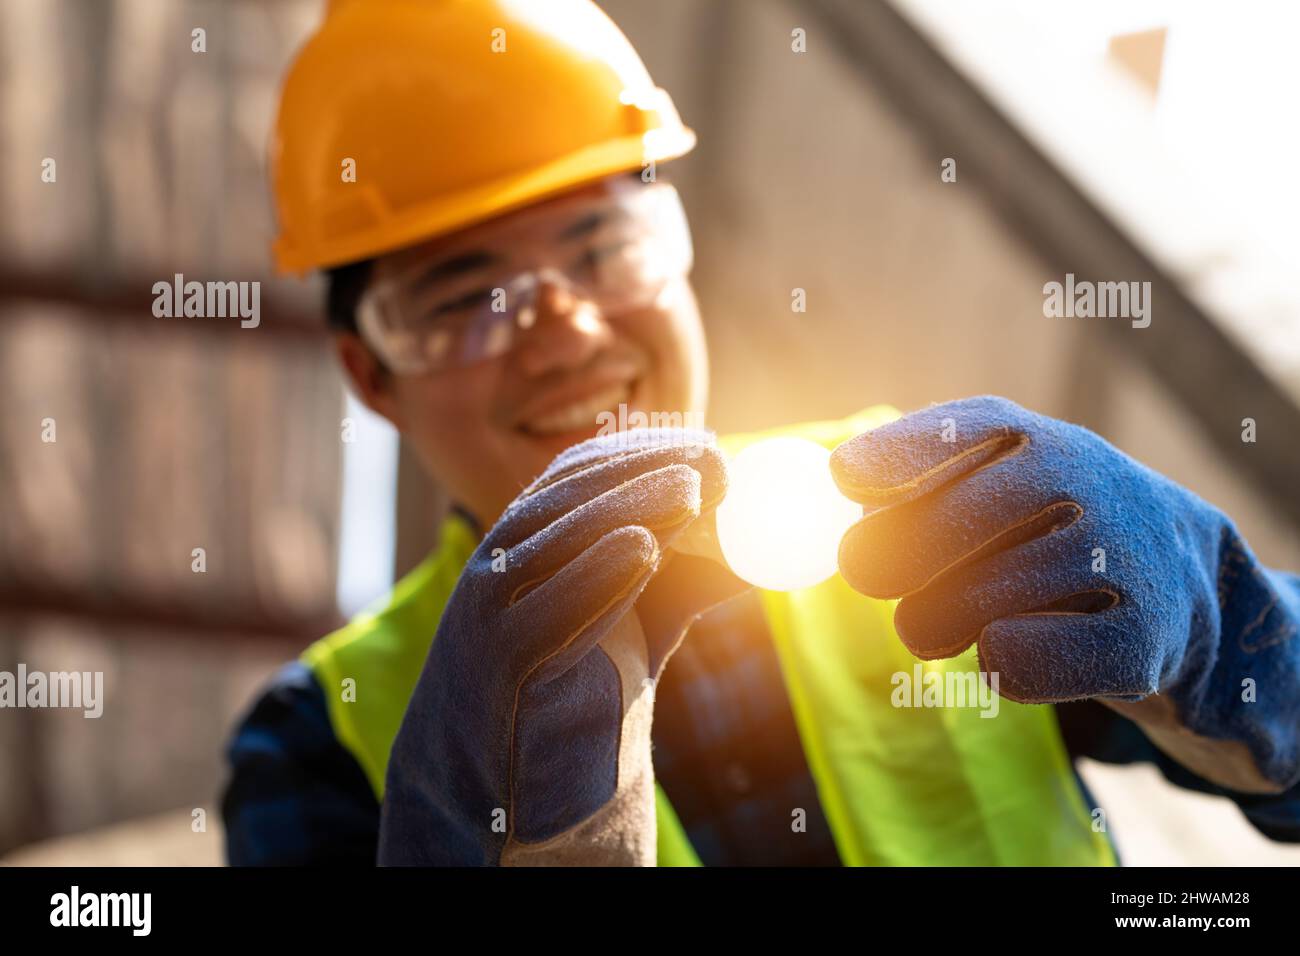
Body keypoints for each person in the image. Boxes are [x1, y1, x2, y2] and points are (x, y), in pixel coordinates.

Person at [222, 0, 1300, 866]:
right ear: (371, 373)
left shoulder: (938, 511)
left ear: (679, 250)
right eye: (462, 298)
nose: (566, 333)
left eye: (604, 246)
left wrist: (1223, 628)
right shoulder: (322, 739)